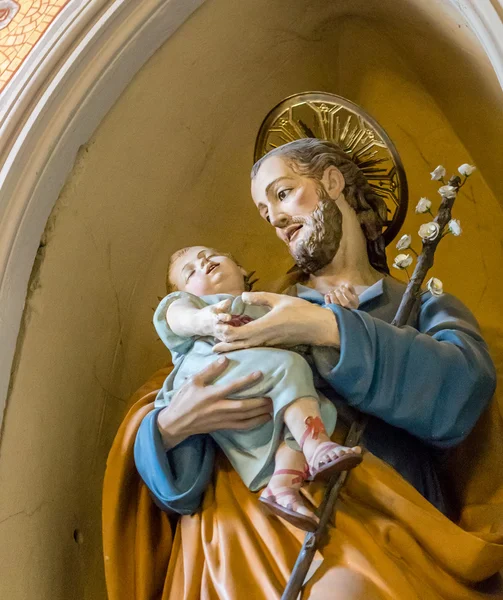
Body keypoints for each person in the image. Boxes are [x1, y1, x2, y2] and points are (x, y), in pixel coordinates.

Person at [131, 139, 498, 598]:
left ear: (332, 181)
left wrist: (329, 329)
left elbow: (463, 398)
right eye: (267, 214)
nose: (278, 219)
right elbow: (179, 415)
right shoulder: (250, 309)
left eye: (283, 194)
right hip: (244, 542)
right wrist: (168, 429)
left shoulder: (422, 308)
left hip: (378, 529)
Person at [149, 244, 362, 531]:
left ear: (241, 269)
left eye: (212, 255)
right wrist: (205, 319)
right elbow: (177, 317)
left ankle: (282, 486)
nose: (203, 262)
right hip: (217, 373)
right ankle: (317, 446)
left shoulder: (268, 307)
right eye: (190, 272)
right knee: (291, 367)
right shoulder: (194, 306)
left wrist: (341, 316)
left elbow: (310, 344)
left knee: (315, 404)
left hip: (266, 391)